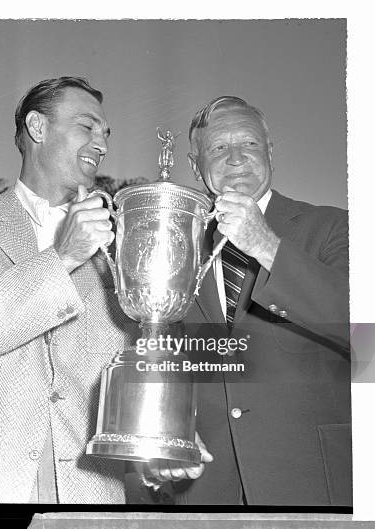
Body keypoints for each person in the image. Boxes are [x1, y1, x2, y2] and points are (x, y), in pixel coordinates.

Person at [0, 76, 139, 503]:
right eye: (87, 126)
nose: (102, 143)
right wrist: (65, 257)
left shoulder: (121, 240)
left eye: (106, 133)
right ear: (37, 127)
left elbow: (134, 359)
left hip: (90, 489)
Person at [145, 96, 350, 506]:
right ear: (194, 163)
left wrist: (267, 246)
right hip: (205, 490)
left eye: (250, 145)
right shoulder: (174, 246)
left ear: (271, 152)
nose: (236, 158)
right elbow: (160, 351)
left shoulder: (333, 226)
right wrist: (163, 425)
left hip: (317, 486)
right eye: (219, 148)